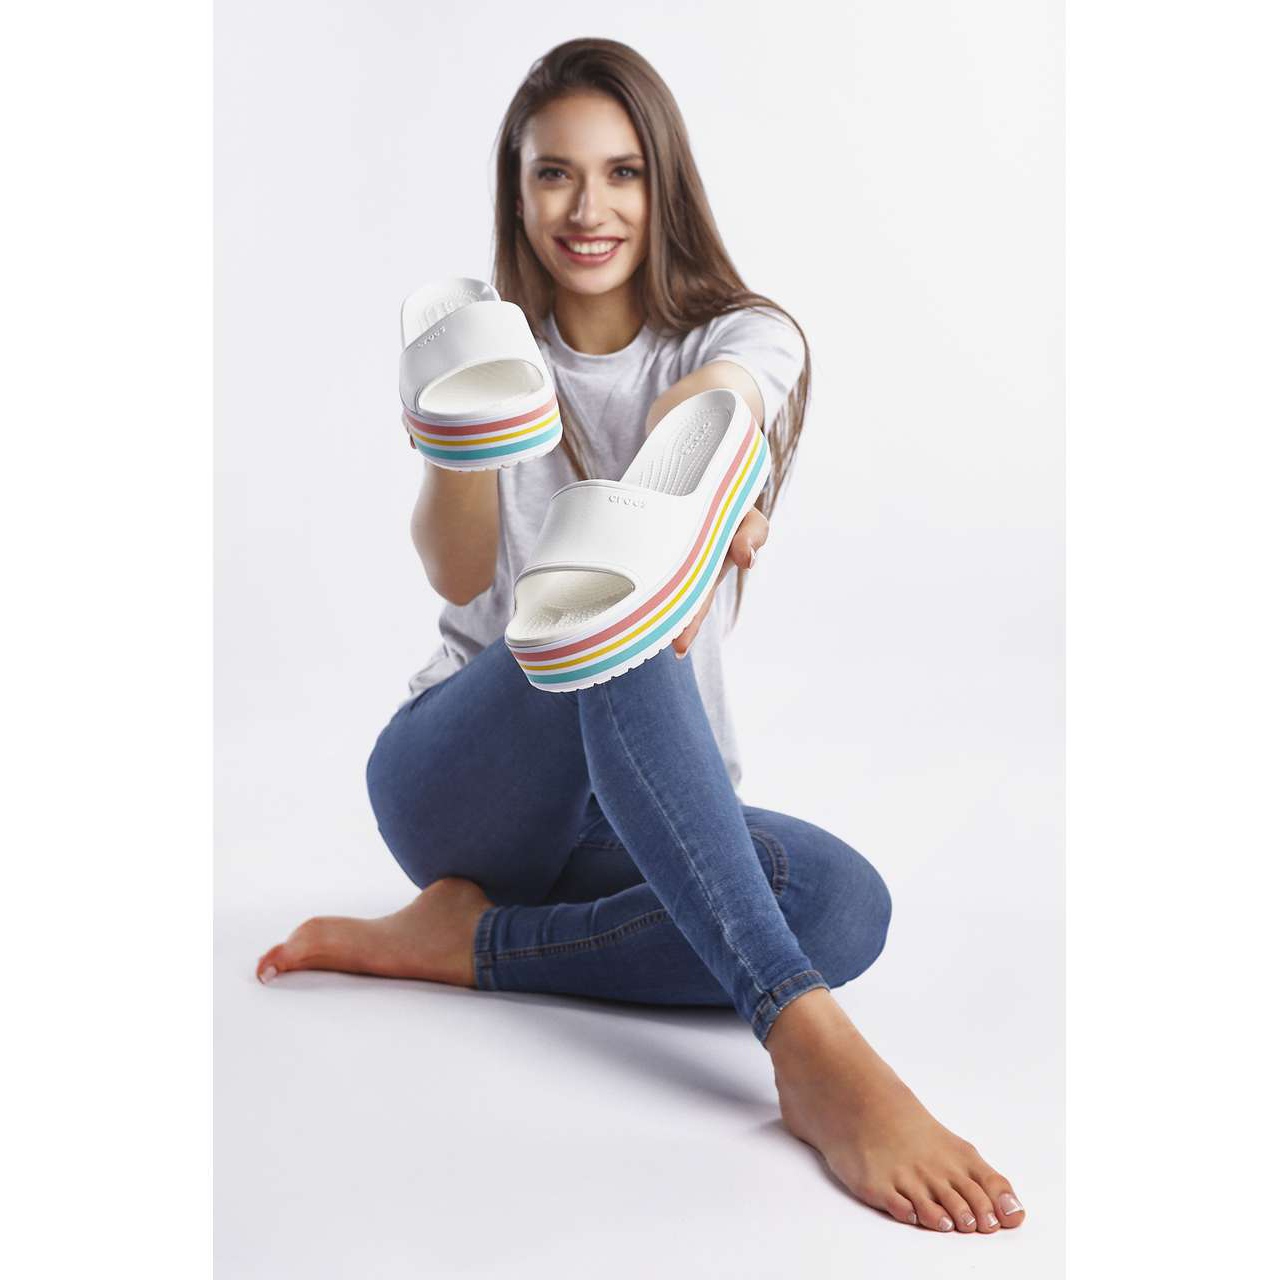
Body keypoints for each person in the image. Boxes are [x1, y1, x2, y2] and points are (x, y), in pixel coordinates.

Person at [256, 38, 1026, 1236]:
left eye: (621, 172)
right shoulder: (481, 359)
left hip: (622, 816)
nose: (589, 207)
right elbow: (456, 573)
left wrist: (704, 486)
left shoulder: (744, 337)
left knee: (841, 904)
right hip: (463, 775)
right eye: (554, 173)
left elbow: (711, 405)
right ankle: (808, 1044)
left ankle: (472, 945)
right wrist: (459, 436)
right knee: (609, 622)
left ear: (664, 183)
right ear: (516, 192)